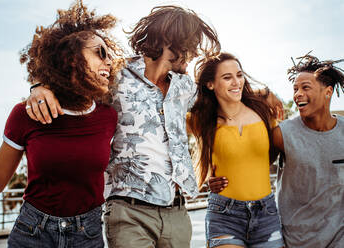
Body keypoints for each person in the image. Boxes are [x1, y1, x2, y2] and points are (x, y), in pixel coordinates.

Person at [26, 5, 220, 248]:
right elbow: (70, 81)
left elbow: (220, 105)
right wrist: (39, 87)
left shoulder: (185, 86)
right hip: (129, 210)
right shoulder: (117, 75)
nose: (193, 53)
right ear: (171, 39)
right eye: (191, 44)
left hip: (177, 212)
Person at [0, 1, 122, 247]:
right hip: (32, 233)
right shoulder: (25, 114)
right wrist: (38, 87)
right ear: (71, 58)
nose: (108, 61)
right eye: (99, 52)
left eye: (109, 54)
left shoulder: (109, 115)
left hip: (88, 235)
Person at [188, 52, 285, 247]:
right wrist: (206, 179)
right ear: (210, 84)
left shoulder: (262, 109)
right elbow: (167, 139)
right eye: (227, 77)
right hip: (224, 214)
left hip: (266, 213)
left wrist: (266, 92)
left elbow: (274, 152)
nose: (236, 82)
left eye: (239, 75)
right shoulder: (201, 120)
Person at [273, 53, 344, 247]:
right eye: (295, 89)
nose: (297, 94)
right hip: (294, 240)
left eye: (305, 88)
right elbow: (252, 166)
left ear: (328, 92)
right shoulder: (282, 134)